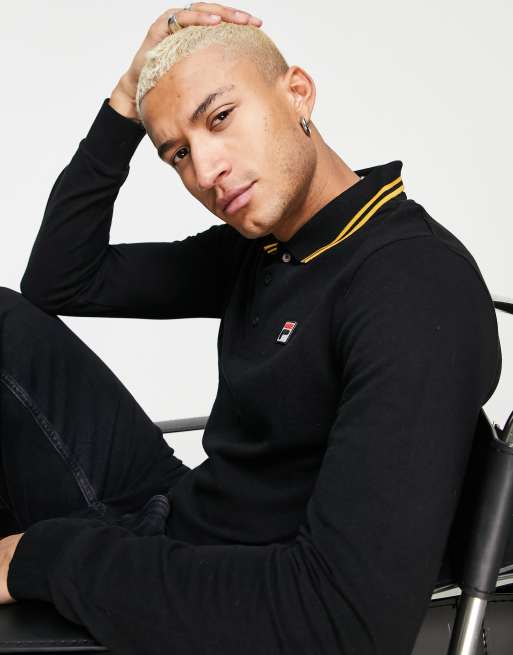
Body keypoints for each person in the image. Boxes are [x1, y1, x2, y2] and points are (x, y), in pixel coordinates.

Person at [0, 3, 502, 654]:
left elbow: (344, 623)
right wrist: (126, 98)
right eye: (178, 153)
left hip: (229, 579)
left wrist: (41, 558)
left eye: (220, 117)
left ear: (298, 93)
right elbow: (60, 280)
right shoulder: (273, 245)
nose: (206, 172)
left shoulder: (410, 287)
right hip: (183, 512)